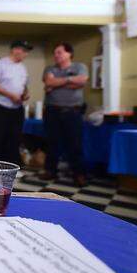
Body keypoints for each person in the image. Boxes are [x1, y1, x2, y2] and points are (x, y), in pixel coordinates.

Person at [40, 42, 88, 186]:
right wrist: (69, 81)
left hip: (72, 112)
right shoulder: (49, 68)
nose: (56, 55)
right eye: (55, 53)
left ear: (69, 54)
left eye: (59, 52)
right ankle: (50, 171)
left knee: (75, 144)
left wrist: (57, 82)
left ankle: (79, 174)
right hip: (52, 111)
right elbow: (48, 82)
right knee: (52, 143)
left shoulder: (80, 67)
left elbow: (82, 81)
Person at [0, 41, 31, 165]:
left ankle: (10, 169)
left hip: (16, 109)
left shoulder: (22, 67)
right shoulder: (0, 64)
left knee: (14, 139)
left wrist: (25, 93)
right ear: (15, 50)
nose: (26, 54)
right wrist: (11, 95)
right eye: (24, 51)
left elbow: (24, 85)